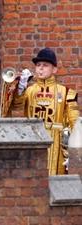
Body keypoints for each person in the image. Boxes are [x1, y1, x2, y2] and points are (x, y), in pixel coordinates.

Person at [11, 47, 79, 175]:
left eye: (45, 65)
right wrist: (19, 89)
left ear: (54, 69)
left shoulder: (65, 92)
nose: (40, 68)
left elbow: (75, 124)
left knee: (56, 182)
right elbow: (15, 106)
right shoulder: (29, 90)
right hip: (32, 139)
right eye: (38, 65)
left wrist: (74, 152)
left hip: (57, 144)